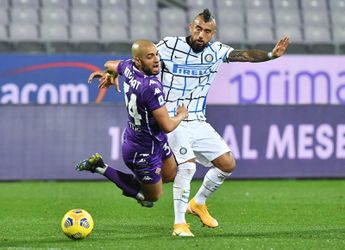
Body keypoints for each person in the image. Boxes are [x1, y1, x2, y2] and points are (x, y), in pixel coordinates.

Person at [95, 9, 290, 237]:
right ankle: (179, 224)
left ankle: (197, 203)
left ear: (212, 34)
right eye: (198, 29)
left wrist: (270, 56)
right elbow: (139, 59)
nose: (201, 34)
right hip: (172, 118)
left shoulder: (217, 52)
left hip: (198, 119)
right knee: (187, 166)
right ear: (191, 27)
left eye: (207, 31)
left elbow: (244, 55)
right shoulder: (169, 46)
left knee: (227, 164)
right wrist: (112, 73)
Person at [76, 40, 188, 208]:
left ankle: (141, 183)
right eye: (150, 57)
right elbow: (168, 126)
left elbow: (110, 64)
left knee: (171, 174)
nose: (156, 59)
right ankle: (101, 167)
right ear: (138, 61)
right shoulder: (151, 87)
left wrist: (110, 73)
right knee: (152, 198)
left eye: (156, 55)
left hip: (153, 138)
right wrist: (181, 115)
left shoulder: (129, 67)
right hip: (142, 150)